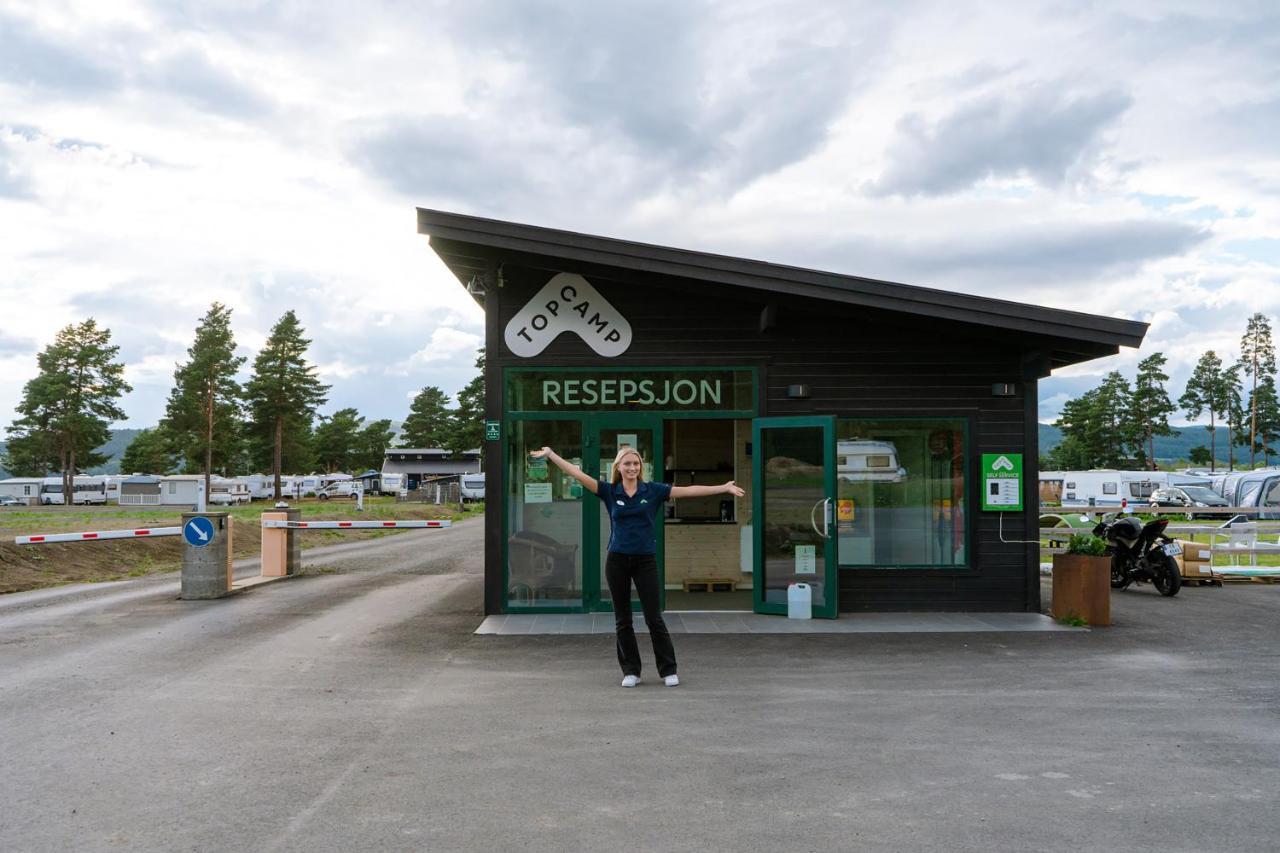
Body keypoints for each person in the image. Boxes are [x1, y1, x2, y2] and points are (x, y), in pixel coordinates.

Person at [530, 445, 745, 688]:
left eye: (636, 464)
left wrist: (723, 488)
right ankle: (631, 671)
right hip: (617, 560)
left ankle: (668, 670)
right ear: (618, 468)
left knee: (654, 618)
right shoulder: (610, 491)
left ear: (640, 467)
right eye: (627, 464)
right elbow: (578, 475)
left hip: (645, 561)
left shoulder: (652, 491)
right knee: (623, 620)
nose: (632, 468)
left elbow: (688, 491)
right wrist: (551, 455)